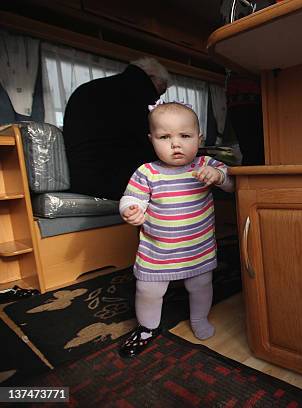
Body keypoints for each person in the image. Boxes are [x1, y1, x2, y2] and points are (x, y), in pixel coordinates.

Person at [117, 101, 234, 357]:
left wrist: (219, 177)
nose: (175, 144)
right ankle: (147, 328)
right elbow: (131, 198)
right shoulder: (147, 172)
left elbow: (232, 184)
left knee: (201, 286)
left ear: (199, 138)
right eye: (164, 137)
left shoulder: (205, 165)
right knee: (148, 290)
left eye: (185, 136)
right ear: (152, 140)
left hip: (197, 249)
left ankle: (199, 319)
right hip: (157, 252)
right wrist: (130, 209)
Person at [62, 57, 170, 200]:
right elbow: (155, 146)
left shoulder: (87, 88)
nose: (158, 96)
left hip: (78, 182)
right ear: (151, 77)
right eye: (160, 90)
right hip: (116, 186)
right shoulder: (144, 96)